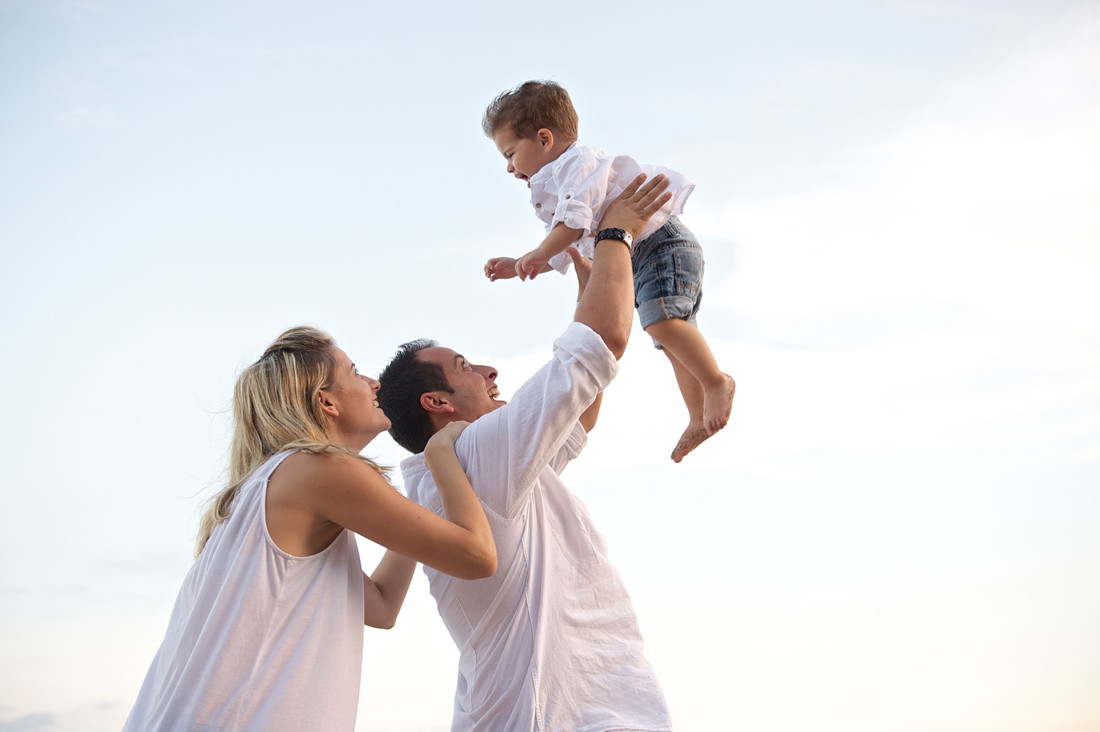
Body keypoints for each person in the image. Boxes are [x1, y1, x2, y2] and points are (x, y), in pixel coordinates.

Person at [378, 174, 675, 731]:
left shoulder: (463, 472)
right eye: (466, 366)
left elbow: (578, 415)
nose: (489, 370)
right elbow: (599, 347)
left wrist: (590, 290)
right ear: (437, 401)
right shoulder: (473, 453)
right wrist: (616, 233)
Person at [123, 326, 496, 731]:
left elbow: (382, 605)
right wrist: (439, 454)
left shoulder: (265, 487)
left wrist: (419, 507)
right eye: (354, 372)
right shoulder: (316, 469)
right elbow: (476, 556)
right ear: (326, 401)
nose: (374, 384)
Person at [483, 80, 735, 462]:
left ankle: (717, 382)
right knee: (669, 339)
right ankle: (696, 414)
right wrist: (523, 263)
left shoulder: (576, 164)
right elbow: (568, 243)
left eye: (511, 153)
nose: (509, 167)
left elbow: (573, 224)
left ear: (545, 139)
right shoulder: (558, 180)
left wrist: (534, 254)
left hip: (660, 244)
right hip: (639, 254)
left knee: (662, 324)